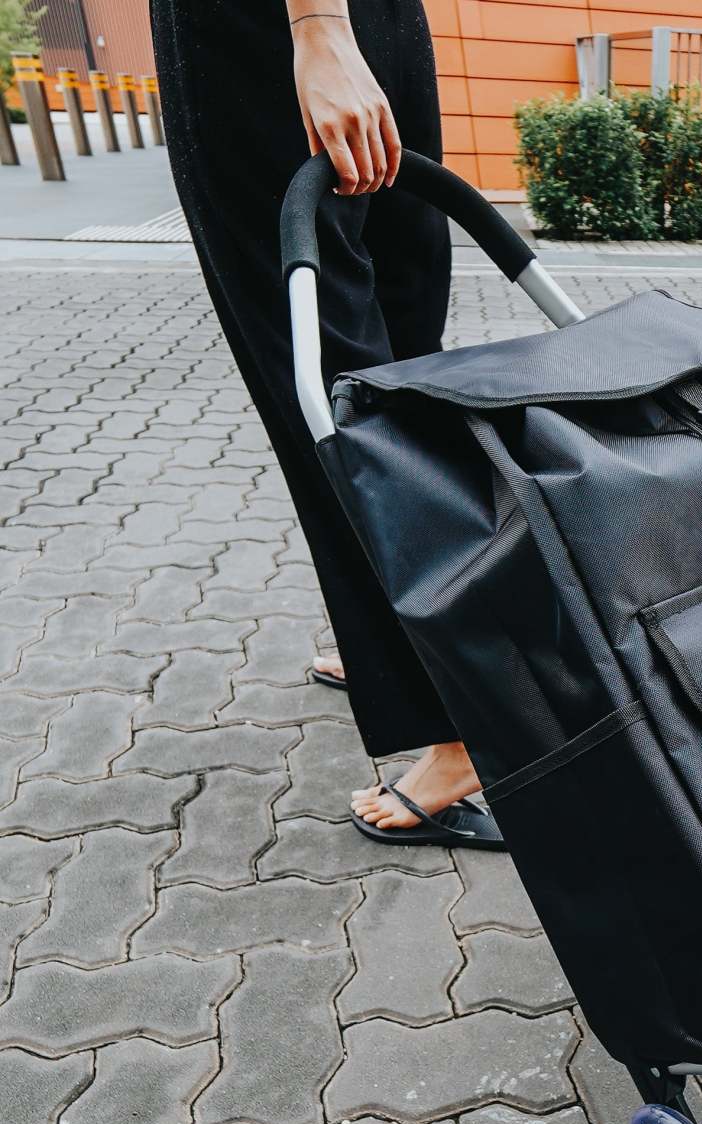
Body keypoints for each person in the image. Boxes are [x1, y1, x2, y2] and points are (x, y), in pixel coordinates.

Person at [151, 0, 501, 847]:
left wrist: (316, 27)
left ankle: (457, 733)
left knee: (322, 378)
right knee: (403, 359)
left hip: (265, 34)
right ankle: (404, 638)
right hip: (378, 21)